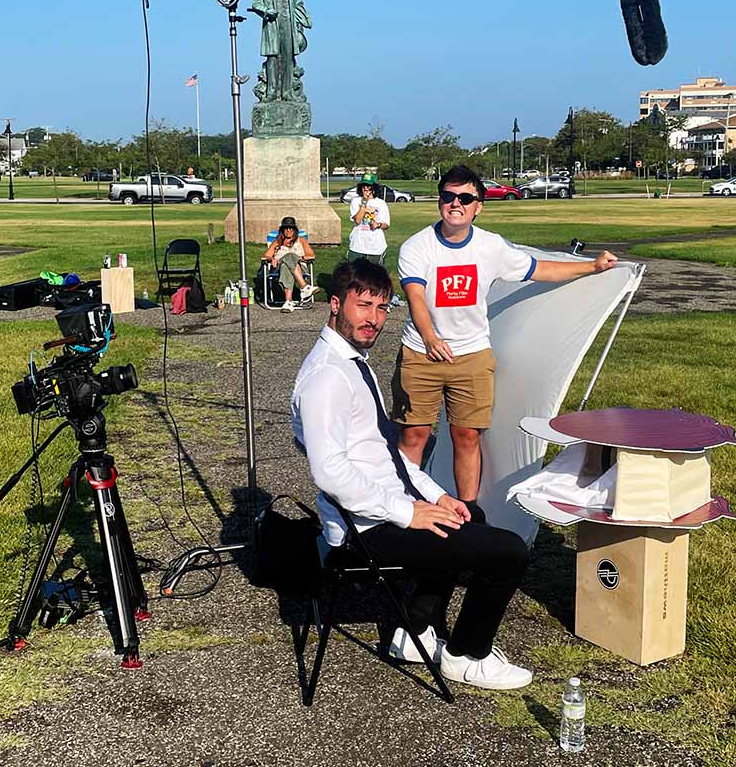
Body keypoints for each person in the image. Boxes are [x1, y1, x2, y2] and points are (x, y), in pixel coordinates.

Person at [292, 259, 533, 690]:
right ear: (335, 304)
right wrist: (409, 513)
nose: (374, 319)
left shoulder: (351, 361)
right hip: (362, 529)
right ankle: (467, 657)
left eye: (382, 308)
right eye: (363, 305)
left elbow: (388, 452)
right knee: (508, 552)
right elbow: (329, 472)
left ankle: (414, 631)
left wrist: (437, 497)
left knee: (468, 515)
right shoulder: (327, 375)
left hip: (382, 508)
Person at [392, 164, 618, 502]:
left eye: (465, 198)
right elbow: (415, 297)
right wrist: (430, 337)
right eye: (448, 196)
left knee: (467, 436)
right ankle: (403, 508)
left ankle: (469, 513)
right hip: (421, 353)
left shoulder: (491, 246)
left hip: (471, 354)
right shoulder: (417, 246)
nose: (456, 204)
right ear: (439, 201)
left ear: (478, 207)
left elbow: (539, 270)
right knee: (414, 435)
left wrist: (592, 267)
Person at [262, 216, 318, 312]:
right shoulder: (277, 242)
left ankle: (288, 302)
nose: (288, 230)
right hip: (279, 268)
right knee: (286, 262)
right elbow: (265, 256)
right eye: (286, 228)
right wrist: (272, 259)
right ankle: (304, 287)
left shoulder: (301, 240)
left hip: (300, 267)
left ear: (295, 230)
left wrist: (300, 258)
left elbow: (311, 255)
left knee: (288, 260)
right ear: (282, 230)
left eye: (291, 228)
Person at [348, 172, 391, 265]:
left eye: (368, 186)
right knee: (354, 271)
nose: (365, 188)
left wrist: (378, 225)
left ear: (374, 187)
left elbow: (386, 225)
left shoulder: (381, 203)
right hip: (357, 246)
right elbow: (357, 220)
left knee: (375, 273)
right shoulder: (356, 201)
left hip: (376, 247)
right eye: (363, 185)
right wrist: (364, 202)